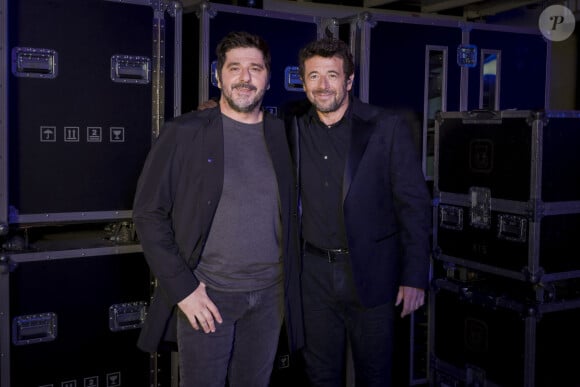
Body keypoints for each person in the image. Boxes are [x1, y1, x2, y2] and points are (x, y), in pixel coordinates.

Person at [132, 31, 303, 387]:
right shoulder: (185, 132)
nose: (245, 77)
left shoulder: (284, 134)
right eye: (235, 68)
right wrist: (184, 290)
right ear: (218, 76)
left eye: (255, 68)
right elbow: (148, 214)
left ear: (268, 77)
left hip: (270, 297)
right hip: (208, 296)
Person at [286, 37, 432, 387]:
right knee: (320, 376)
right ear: (303, 81)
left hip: (373, 274)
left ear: (349, 81)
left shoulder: (386, 127)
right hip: (314, 277)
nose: (323, 86)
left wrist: (414, 276)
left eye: (332, 75)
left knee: (375, 376)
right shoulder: (291, 128)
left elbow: (414, 205)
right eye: (314, 76)